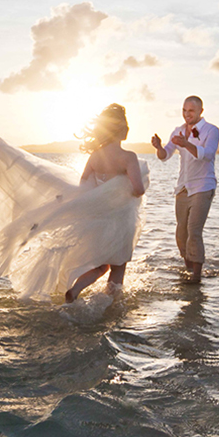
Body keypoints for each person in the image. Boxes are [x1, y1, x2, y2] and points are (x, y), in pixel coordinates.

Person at [65, 104, 147, 302]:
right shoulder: (128, 157)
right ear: (123, 131)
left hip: (98, 219)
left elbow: (83, 184)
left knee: (100, 266)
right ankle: (112, 306)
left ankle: (75, 290)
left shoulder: (95, 156)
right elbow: (138, 189)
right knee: (118, 265)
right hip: (120, 219)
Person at [151, 95, 219, 283]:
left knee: (193, 231)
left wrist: (187, 144)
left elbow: (207, 155)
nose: (186, 114)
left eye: (190, 110)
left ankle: (197, 277)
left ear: (200, 111)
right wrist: (158, 147)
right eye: (184, 110)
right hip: (183, 188)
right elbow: (165, 155)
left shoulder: (211, 130)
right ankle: (188, 269)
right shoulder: (179, 131)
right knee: (181, 233)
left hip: (203, 186)